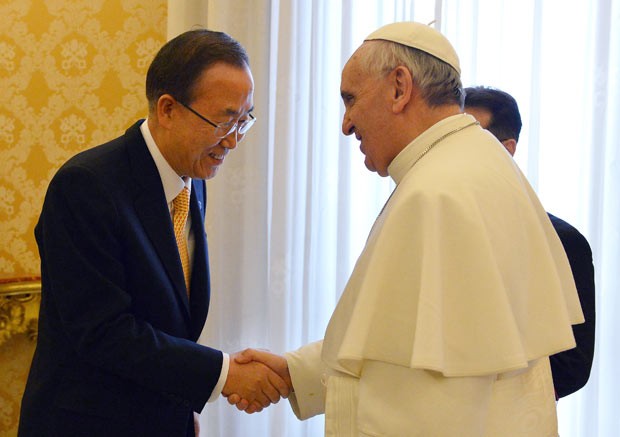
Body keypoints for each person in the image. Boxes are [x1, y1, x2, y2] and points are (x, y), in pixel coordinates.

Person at [230, 22, 584, 436]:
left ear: (399, 87)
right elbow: (400, 350)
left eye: (351, 99)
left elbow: (415, 399)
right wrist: (296, 373)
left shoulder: (438, 191)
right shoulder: (471, 162)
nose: (345, 124)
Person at [18, 29, 289, 437]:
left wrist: (180, 407)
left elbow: (167, 319)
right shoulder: (86, 185)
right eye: (223, 121)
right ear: (167, 109)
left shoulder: (192, 180)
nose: (233, 141)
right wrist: (224, 373)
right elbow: (105, 331)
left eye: (244, 121)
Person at [463, 85, 596, 399]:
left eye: (470, 139)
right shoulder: (432, 221)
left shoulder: (563, 241)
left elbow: (572, 366)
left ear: (507, 149)